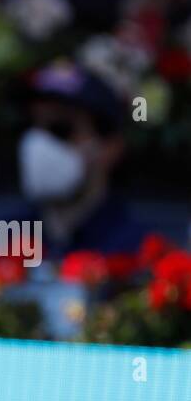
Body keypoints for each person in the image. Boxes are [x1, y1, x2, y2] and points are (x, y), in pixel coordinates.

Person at [14, 61, 149, 260]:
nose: (38, 143)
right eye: (30, 126)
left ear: (110, 148)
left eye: (59, 129)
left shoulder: (141, 253)